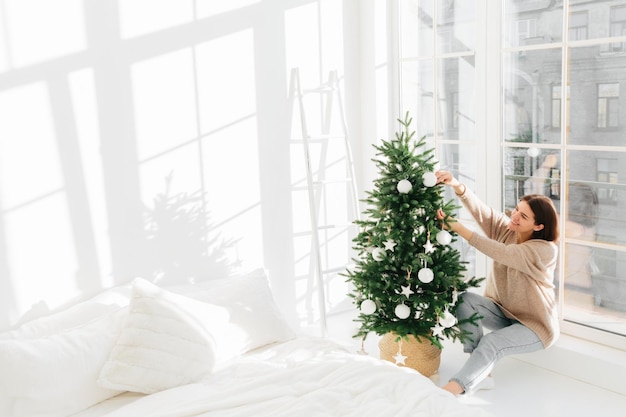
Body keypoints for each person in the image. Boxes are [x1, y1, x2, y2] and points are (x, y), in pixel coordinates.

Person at [434, 170, 560, 396]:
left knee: (492, 343)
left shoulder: (544, 250)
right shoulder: (509, 230)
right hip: (504, 313)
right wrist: (456, 185)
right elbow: (484, 213)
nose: (515, 216)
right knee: (465, 301)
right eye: (517, 209)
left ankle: (454, 389)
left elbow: (503, 253)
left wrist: (458, 228)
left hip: (534, 326)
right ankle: (483, 374)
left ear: (539, 226)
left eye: (523, 216)